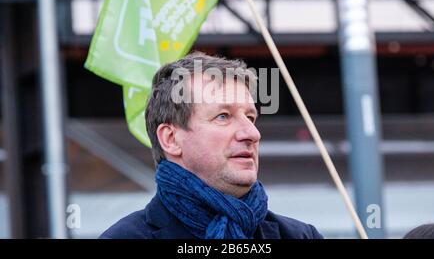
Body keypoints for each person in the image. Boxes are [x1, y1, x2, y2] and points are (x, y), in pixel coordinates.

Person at [100, 52, 323, 239]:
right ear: (171, 139)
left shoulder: (302, 236)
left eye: (250, 117)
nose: (252, 133)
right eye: (223, 116)